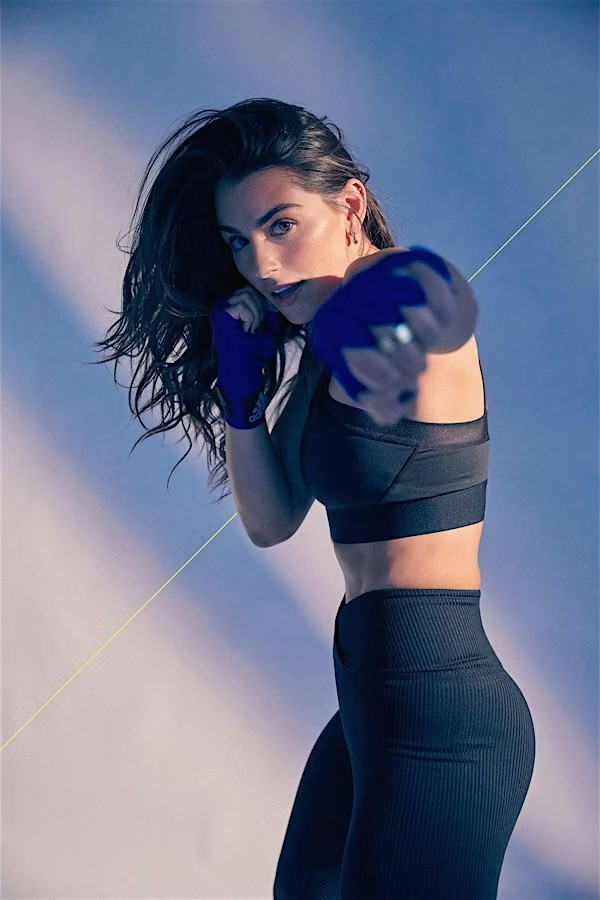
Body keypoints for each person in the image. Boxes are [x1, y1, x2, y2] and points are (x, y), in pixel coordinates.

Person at [93, 98, 536, 899]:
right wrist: (241, 398)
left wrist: (289, 314)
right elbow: (272, 520)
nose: (260, 264)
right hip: (369, 708)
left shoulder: (412, 293)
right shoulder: (322, 366)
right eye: (238, 242)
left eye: (281, 225)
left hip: (444, 718)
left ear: (351, 204)